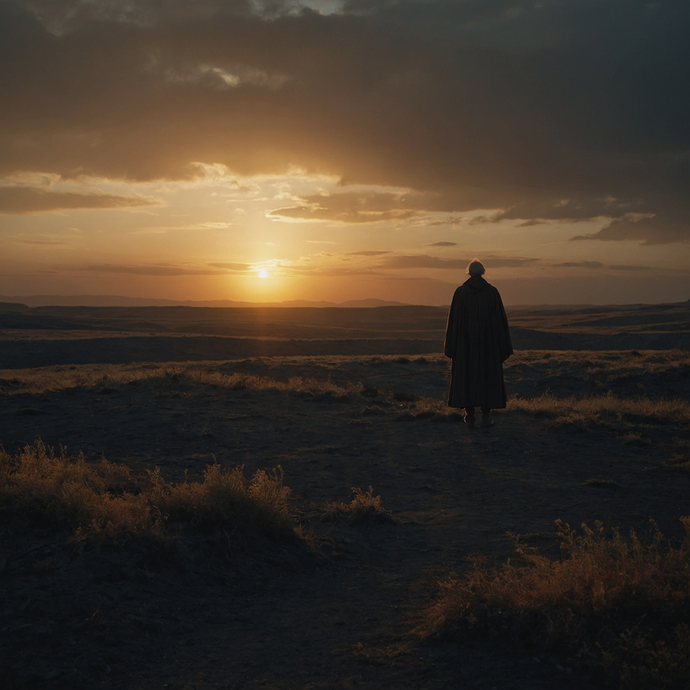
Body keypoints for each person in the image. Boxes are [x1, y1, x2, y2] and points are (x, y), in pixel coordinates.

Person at [444, 259, 513, 429]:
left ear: (469, 273)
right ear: (483, 272)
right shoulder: (492, 293)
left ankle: (470, 415)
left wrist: (452, 346)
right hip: (488, 347)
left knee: (466, 375)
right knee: (487, 377)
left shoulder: (460, 293)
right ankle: (486, 416)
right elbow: (500, 322)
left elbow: (452, 323)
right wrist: (501, 346)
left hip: (465, 347)